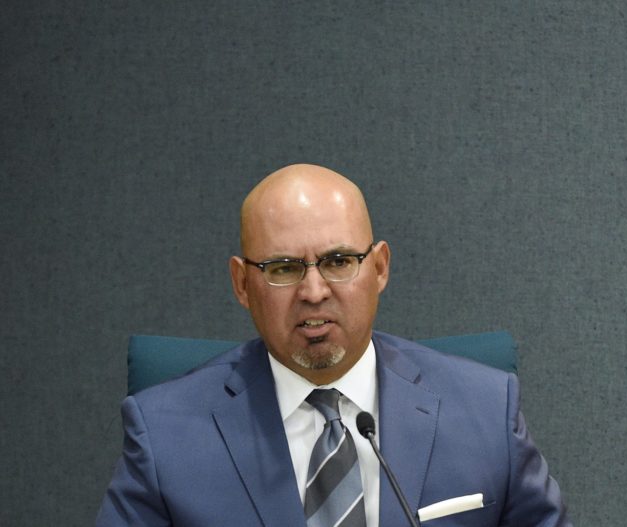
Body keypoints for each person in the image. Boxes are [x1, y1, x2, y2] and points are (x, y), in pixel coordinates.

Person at [97, 164, 571, 526]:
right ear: (242, 284)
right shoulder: (163, 437)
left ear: (380, 268)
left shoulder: (486, 410)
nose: (314, 291)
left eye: (339, 261)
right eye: (283, 268)